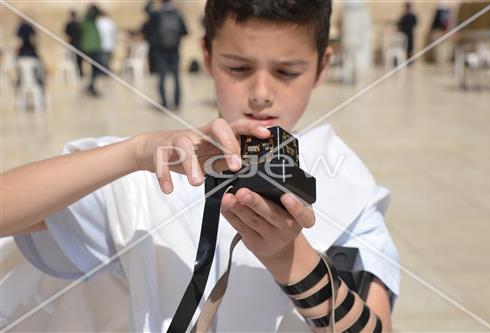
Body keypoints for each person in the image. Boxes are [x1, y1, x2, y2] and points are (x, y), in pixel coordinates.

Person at [2, 1, 400, 331]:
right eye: (239, 69)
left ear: (322, 65)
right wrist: (135, 154)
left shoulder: (349, 187)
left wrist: (287, 256)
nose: (261, 94)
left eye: (286, 72)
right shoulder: (149, 176)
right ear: (207, 55)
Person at [146, 0, 188, 109]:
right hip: (174, 50)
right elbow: (185, 32)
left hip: (161, 51)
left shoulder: (157, 14)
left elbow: (146, 11)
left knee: (162, 77)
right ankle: (177, 103)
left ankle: (164, 103)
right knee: (176, 77)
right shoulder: (178, 14)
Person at [80, 4, 104, 96]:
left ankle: (91, 86)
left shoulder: (90, 22)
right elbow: (98, 12)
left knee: (95, 68)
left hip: (92, 48)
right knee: (98, 68)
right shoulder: (88, 22)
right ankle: (91, 86)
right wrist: (94, 6)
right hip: (93, 48)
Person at [64, 10, 83, 77]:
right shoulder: (79, 24)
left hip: (72, 44)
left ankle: (76, 74)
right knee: (79, 60)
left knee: (73, 60)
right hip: (79, 44)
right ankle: (80, 73)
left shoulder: (69, 24)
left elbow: (66, 35)